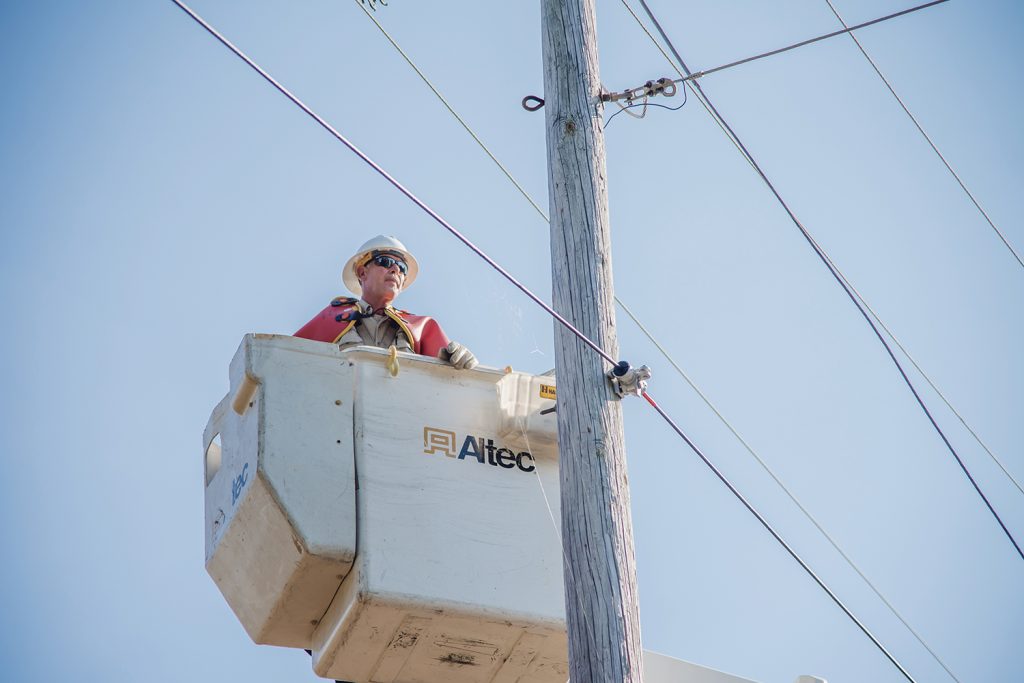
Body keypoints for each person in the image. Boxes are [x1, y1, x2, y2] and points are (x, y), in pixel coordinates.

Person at [294, 235, 478, 370]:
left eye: (402, 268)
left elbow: (444, 383)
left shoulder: (420, 329)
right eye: (385, 261)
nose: (395, 269)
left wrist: (458, 363)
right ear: (362, 273)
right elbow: (288, 361)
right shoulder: (332, 319)